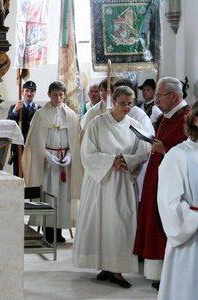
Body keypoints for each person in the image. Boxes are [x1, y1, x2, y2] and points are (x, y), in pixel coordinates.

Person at [72, 86, 150, 288]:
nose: (127, 107)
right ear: (113, 102)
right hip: (100, 181)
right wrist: (109, 161)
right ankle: (105, 264)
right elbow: (87, 152)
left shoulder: (134, 126)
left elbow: (144, 153)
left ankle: (118, 269)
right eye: (123, 102)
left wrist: (126, 160)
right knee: (100, 222)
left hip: (122, 181)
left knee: (120, 225)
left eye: (130, 103)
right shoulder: (97, 123)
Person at [133, 77, 190, 290]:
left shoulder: (187, 118)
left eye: (159, 95)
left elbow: (190, 151)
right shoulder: (169, 116)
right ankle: (162, 270)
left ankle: (172, 271)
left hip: (176, 183)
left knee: (169, 223)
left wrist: (163, 150)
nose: (156, 99)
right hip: (159, 176)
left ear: (174, 96)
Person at [22, 81, 82, 243]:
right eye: (55, 94)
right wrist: (48, 156)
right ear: (49, 95)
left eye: (61, 94)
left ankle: (59, 232)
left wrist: (69, 155)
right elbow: (34, 141)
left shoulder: (71, 115)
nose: (58, 97)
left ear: (64, 95)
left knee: (63, 198)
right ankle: (48, 233)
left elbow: (76, 141)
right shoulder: (40, 115)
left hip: (64, 163)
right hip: (47, 164)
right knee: (49, 196)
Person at [157, 100, 198, 300]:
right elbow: (168, 204)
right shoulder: (178, 156)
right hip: (191, 242)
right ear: (196, 121)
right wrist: (194, 218)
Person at [7, 80, 41, 176]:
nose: (29, 94)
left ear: (35, 93)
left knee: (33, 175)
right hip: (19, 146)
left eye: (32, 91)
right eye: (27, 91)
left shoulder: (39, 109)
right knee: (18, 174)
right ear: (22, 92)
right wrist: (15, 111)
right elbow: (9, 124)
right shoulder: (14, 107)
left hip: (34, 146)